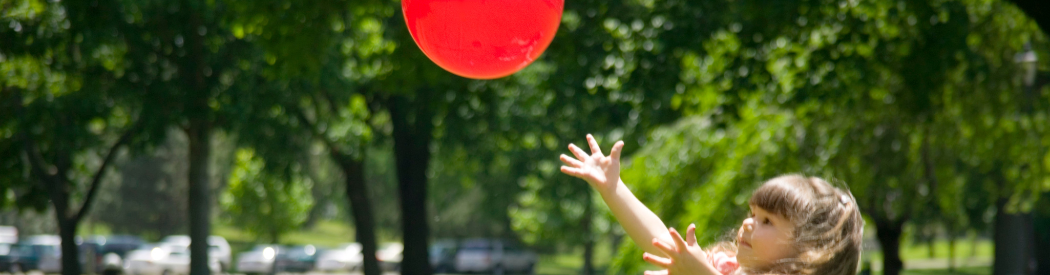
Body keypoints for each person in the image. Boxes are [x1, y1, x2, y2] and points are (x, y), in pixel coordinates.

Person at [559, 134, 863, 275]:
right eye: (753, 213)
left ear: (809, 247)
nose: (748, 223)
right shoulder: (728, 267)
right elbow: (661, 243)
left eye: (767, 221)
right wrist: (614, 189)